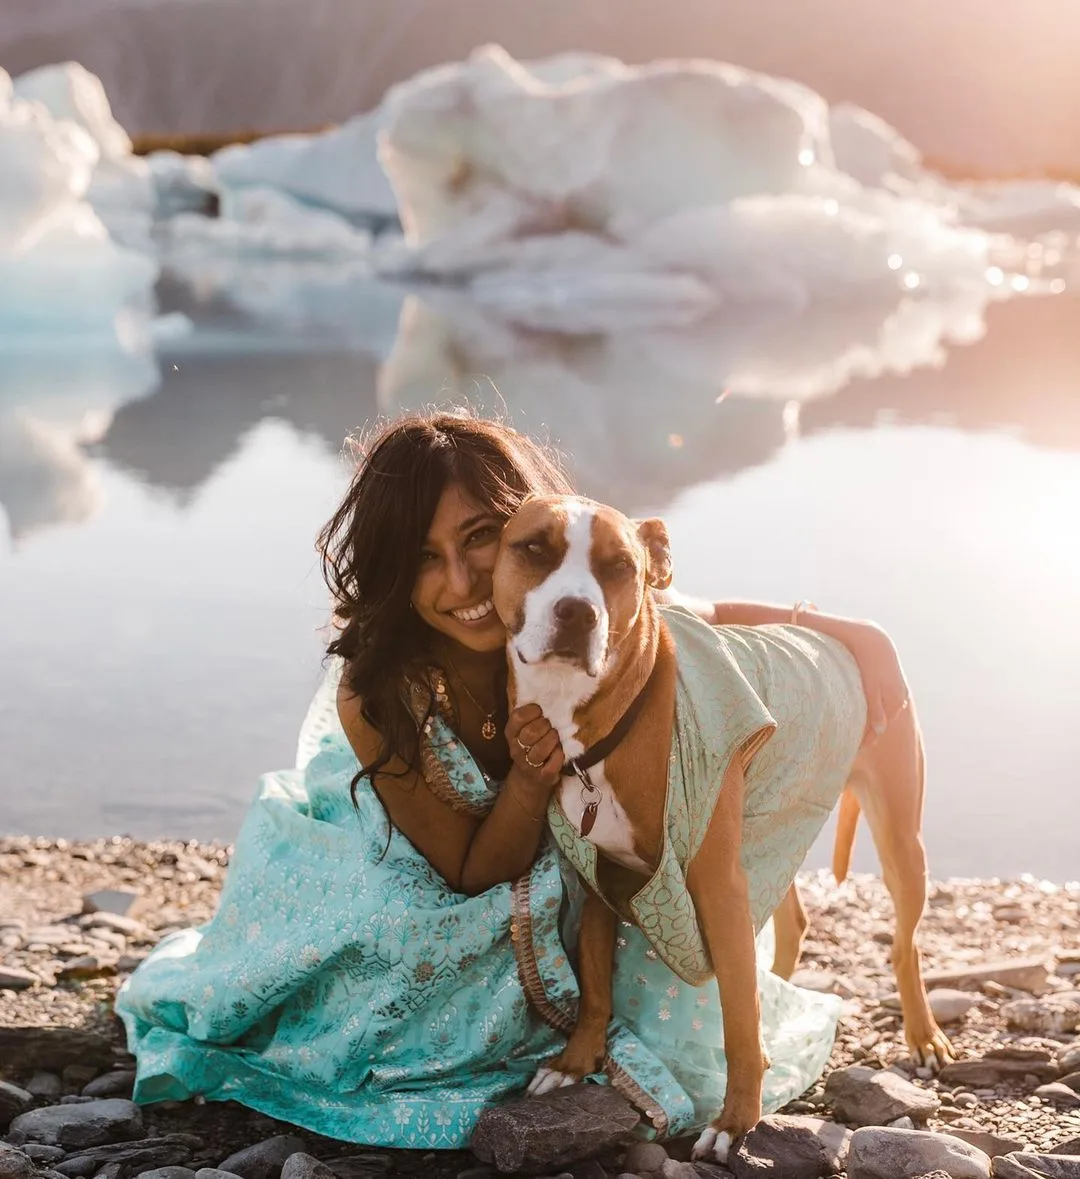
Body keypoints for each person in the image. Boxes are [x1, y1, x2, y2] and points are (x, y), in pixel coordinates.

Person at [116, 410, 911, 1149]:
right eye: (425, 558)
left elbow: (693, 610)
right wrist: (531, 782)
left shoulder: (571, 589)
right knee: (392, 975)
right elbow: (466, 870)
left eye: (481, 539)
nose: (461, 583)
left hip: (553, 859)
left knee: (651, 971)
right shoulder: (384, 690)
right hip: (425, 866)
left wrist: (849, 632)